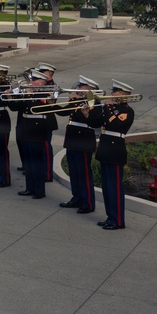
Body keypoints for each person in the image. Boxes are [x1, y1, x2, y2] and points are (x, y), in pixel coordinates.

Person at [89, 80, 135, 230]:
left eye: (115, 91)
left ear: (123, 94)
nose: (112, 93)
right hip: (105, 148)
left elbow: (115, 125)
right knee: (107, 187)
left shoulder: (127, 111)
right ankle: (110, 217)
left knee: (114, 187)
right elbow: (96, 123)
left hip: (115, 150)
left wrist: (107, 107)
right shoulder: (110, 108)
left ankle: (118, 220)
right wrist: (88, 112)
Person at [7, 69, 53, 199]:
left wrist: (28, 94)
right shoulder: (28, 93)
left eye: (34, 80)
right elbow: (16, 108)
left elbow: (38, 107)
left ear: (41, 83)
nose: (30, 82)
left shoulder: (46, 94)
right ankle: (29, 188)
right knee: (28, 162)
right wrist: (11, 97)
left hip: (37, 131)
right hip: (26, 130)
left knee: (37, 162)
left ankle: (39, 190)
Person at [57, 75, 101, 213]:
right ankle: (76, 197)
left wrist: (76, 100)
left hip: (84, 139)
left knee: (84, 173)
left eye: (81, 86)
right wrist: (52, 101)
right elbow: (64, 112)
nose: (78, 88)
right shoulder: (77, 99)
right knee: (74, 171)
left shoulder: (94, 100)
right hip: (72, 138)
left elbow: (92, 119)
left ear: (90, 89)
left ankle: (88, 203)